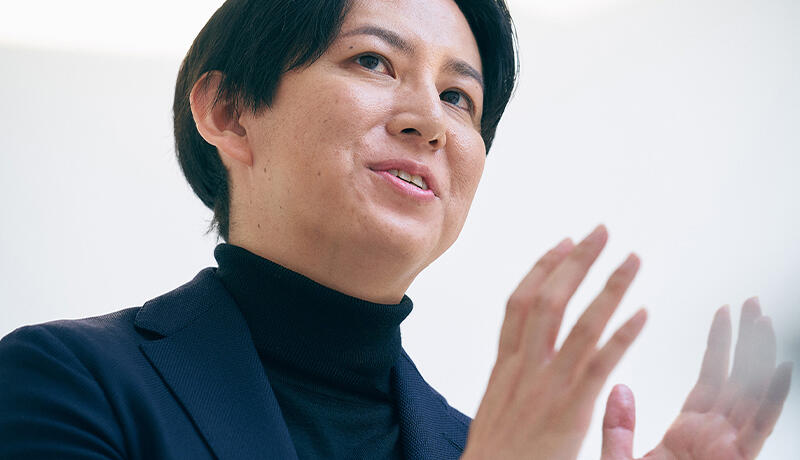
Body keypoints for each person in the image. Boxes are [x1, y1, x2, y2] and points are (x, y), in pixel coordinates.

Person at [0, 0, 791, 459]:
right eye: (374, 62)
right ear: (230, 111)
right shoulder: (66, 382)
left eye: (459, 98)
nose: (429, 121)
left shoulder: (473, 445)